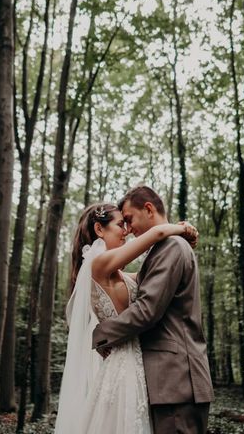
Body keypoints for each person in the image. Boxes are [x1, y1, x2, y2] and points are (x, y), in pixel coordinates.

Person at [54, 200, 198, 434]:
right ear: (100, 230)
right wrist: (184, 228)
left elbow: (148, 276)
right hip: (122, 363)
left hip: (138, 360)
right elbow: (159, 231)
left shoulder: (117, 273)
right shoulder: (97, 263)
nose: (126, 231)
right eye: (121, 224)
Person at [93, 186, 214, 434]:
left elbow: (147, 310)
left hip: (178, 383)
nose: (128, 229)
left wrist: (100, 334)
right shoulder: (160, 250)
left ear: (148, 209)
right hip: (168, 384)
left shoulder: (171, 247)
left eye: (129, 219)